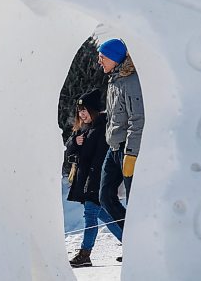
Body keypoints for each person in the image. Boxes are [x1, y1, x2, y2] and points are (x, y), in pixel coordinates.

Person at [65, 89, 123, 268]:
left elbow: (99, 160)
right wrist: (75, 142)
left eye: (85, 110)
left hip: (96, 181)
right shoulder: (84, 129)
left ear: (94, 110)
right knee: (105, 216)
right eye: (79, 111)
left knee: (90, 216)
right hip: (86, 180)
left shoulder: (102, 128)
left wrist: (95, 183)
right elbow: (68, 149)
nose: (82, 114)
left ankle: (85, 254)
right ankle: (133, 245)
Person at [98, 38, 145, 235]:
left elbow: (138, 119)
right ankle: (131, 239)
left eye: (102, 57)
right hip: (114, 147)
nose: (99, 61)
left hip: (127, 149)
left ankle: (140, 244)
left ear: (114, 58)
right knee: (105, 197)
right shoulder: (114, 81)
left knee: (134, 202)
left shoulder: (131, 82)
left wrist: (132, 154)